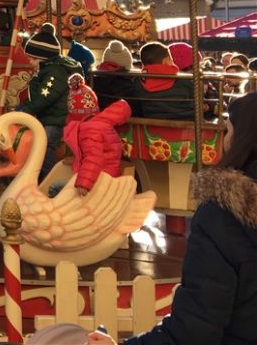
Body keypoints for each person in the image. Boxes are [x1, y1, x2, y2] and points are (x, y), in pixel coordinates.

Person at [92, 92, 257, 345]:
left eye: (228, 131)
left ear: (244, 139)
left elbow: (194, 332)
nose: (224, 141)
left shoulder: (225, 216)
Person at [17, 22, 81, 180]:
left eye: (33, 58)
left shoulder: (55, 72)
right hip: (50, 116)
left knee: (43, 144)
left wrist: (26, 110)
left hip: (58, 119)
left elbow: (45, 97)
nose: (30, 62)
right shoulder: (48, 69)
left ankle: (49, 180)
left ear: (43, 58)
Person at [62, 74, 132, 195]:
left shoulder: (89, 130)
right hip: (107, 173)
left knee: (56, 188)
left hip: (100, 178)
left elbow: (93, 158)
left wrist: (84, 182)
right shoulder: (99, 123)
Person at [137, 42, 193, 120]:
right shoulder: (184, 81)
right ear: (166, 61)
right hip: (186, 121)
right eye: (171, 59)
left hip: (151, 122)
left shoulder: (138, 81)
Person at [93, 40, 141, 114]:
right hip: (128, 120)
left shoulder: (94, 78)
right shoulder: (133, 81)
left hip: (102, 118)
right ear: (128, 63)